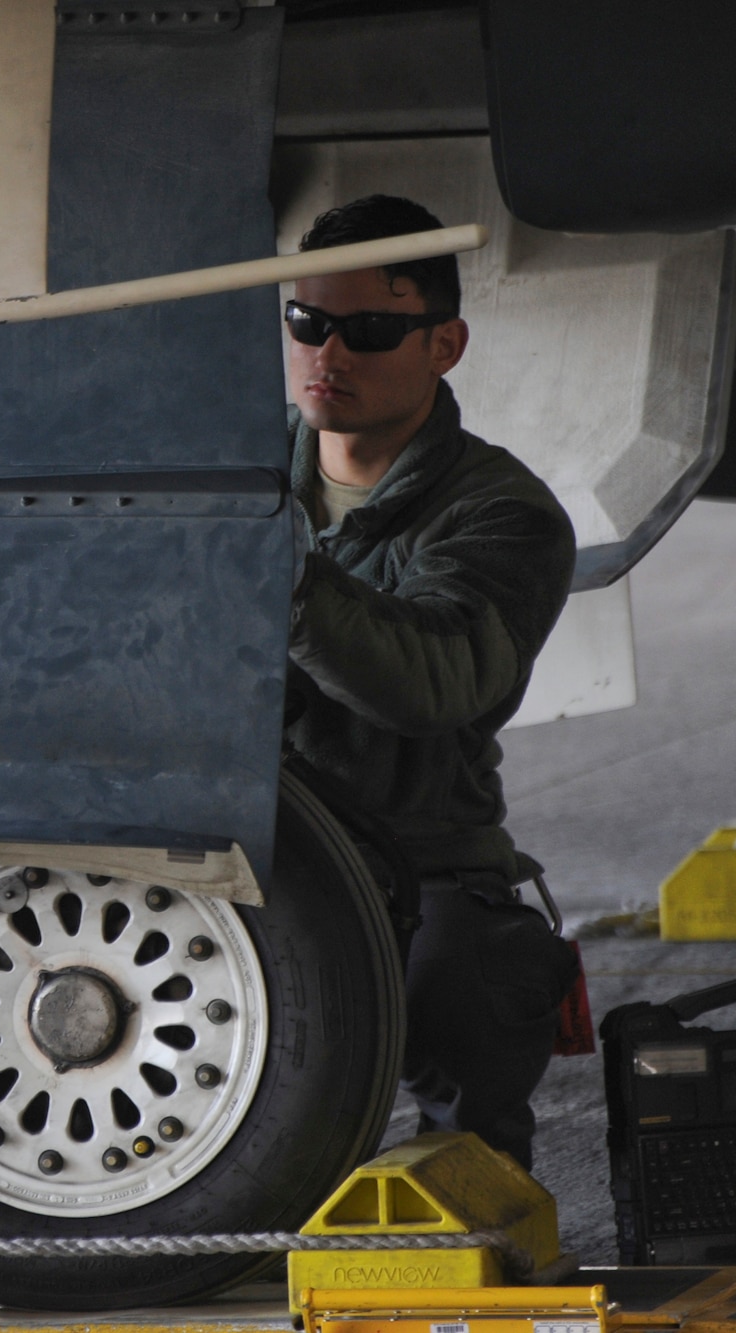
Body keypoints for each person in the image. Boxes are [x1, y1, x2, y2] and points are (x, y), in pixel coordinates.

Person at [280, 194, 579, 1171]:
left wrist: (272, 571)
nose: (329, 356)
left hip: (415, 864)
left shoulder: (501, 514)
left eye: (367, 331)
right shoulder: (234, 479)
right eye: (306, 324)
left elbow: (435, 678)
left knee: (471, 983)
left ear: (443, 344)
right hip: (254, 851)